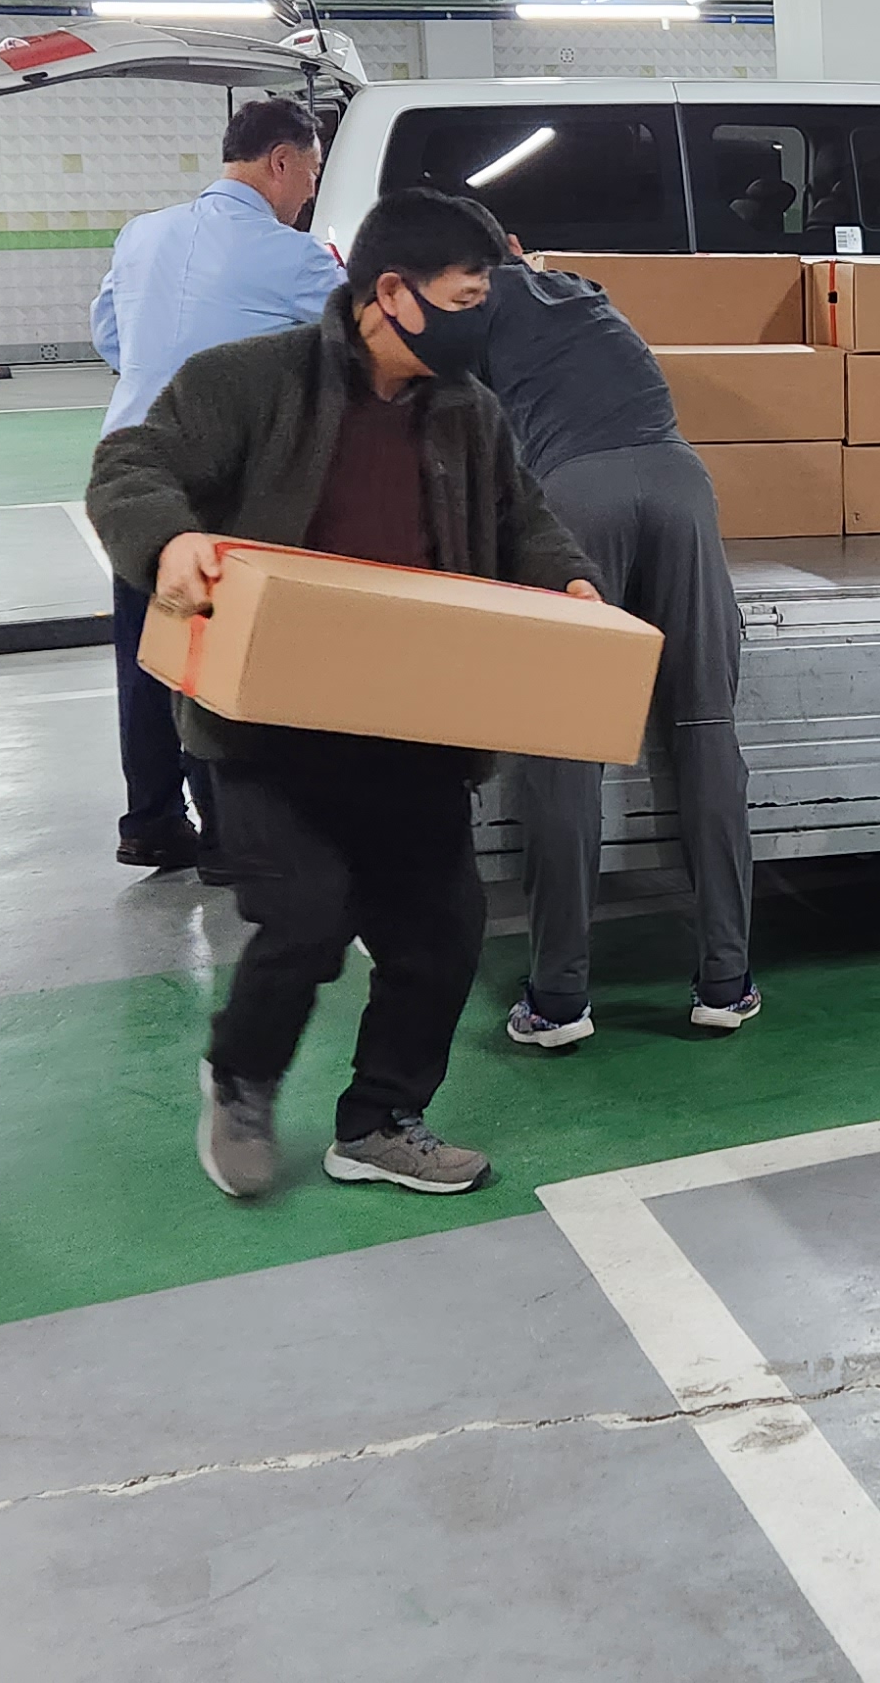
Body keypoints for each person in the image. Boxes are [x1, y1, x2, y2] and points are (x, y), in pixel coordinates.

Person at [87, 190, 603, 1201]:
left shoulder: (468, 413)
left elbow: (523, 521)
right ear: (391, 294)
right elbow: (131, 465)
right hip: (270, 728)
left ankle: (379, 1120)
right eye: (466, 298)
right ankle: (240, 1075)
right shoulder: (249, 380)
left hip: (413, 722)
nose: (481, 319)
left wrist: (570, 581)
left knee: (442, 932)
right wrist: (170, 539)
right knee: (306, 918)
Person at [404, 195, 760, 1051]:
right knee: (705, 728)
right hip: (681, 484)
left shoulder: (463, 309)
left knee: (565, 747)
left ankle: (559, 1000)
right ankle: (727, 982)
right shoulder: (582, 291)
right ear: (518, 244)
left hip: (574, 498)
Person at [90, 96, 345, 873]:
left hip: (129, 466)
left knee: (147, 644)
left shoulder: (142, 233)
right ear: (281, 161)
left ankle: (150, 820)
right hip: (222, 479)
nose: (310, 189)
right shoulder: (294, 258)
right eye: (311, 171)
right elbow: (356, 348)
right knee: (215, 649)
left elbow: (109, 335)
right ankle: (229, 836)